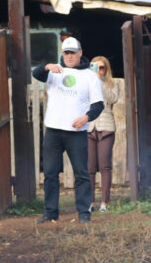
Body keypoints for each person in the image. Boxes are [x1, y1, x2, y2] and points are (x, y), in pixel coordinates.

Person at [32, 36, 104, 224]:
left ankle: (84, 213)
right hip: (54, 130)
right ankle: (50, 213)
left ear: (80, 52)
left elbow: (98, 105)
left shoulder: (90, 76)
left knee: (81, 172)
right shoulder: (55, 70)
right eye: (66, 53)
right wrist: (47, 66)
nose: (69, 56)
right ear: (62, 54)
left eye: (73, 52)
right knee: (50, 173)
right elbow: (36, 74)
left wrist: (86, 117)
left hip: (76, 132)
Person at [87, 56, 118, 212]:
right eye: (96, 68)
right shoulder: (86, 83)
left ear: (106, 69)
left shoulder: (112, 83)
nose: (99, 71)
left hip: (106, 127)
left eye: (102, 68)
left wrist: (100, 81)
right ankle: (90, 202)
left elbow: (113, 98)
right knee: (90, 167)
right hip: (89, 128)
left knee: (105, 166)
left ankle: (104, 203)